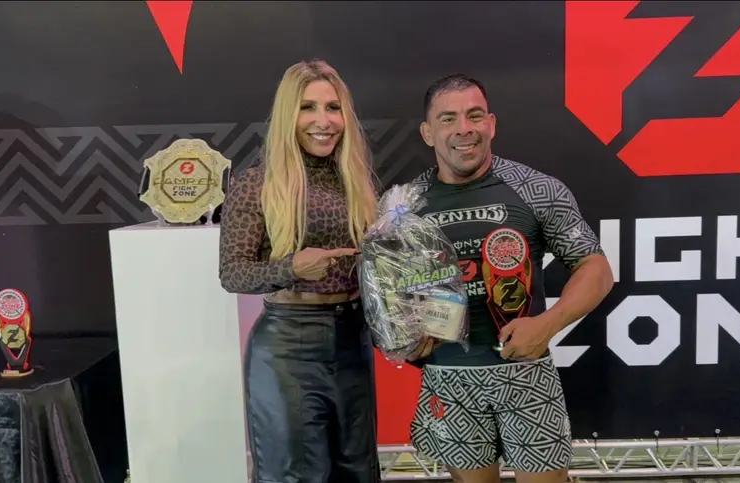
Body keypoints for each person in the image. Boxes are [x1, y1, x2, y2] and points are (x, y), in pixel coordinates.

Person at [406, 74, 614, 483]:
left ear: (491, 124)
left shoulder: (536, 189)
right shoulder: (403, 207)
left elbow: (597, 269)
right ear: (428, 133)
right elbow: (388, 290)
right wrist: (404, 336)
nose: (464, 128)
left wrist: (547, 325)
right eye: (448, 119)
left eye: (474, 115)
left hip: (526, 375)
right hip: (450, 378)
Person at [218, 59, 380, 483]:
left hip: (353, 342)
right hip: (288, 349)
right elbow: (233, 273)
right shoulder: (257, 184)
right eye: (308, 107)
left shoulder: (356, 183)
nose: (323, 121)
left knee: (358, 472)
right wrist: (291, 267)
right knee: (294, 475)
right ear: (288, 115)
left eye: (333, 108)